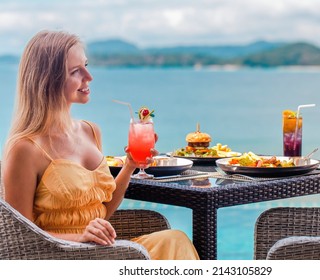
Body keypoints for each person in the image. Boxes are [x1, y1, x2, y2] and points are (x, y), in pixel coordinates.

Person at [1, 30, 199, 260]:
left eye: (86, 65)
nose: (89, 76)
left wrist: (129, 166)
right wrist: (81, 237)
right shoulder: (24, 148)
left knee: (175, 239)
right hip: (62, 258)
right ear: (47, 80)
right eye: (76, 71)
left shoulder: (90, 131)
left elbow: (102, 210)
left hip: (103, 252)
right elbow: (19, 239)